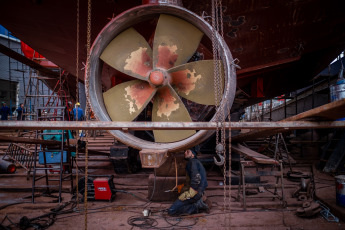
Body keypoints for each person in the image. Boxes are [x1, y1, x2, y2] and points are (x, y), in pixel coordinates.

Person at [168, 148, 210, 216]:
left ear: (193, 155)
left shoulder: (193, 162)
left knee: (172, 210)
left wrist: (192, 191)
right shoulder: (195, 162)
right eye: (185, 151)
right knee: (179, 205)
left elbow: (196, 178)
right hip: (199, 192)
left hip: (196, 193)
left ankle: (198, 206)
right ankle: (199, 201)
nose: (185, 153)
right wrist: (184, 187)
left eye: (187, 151)